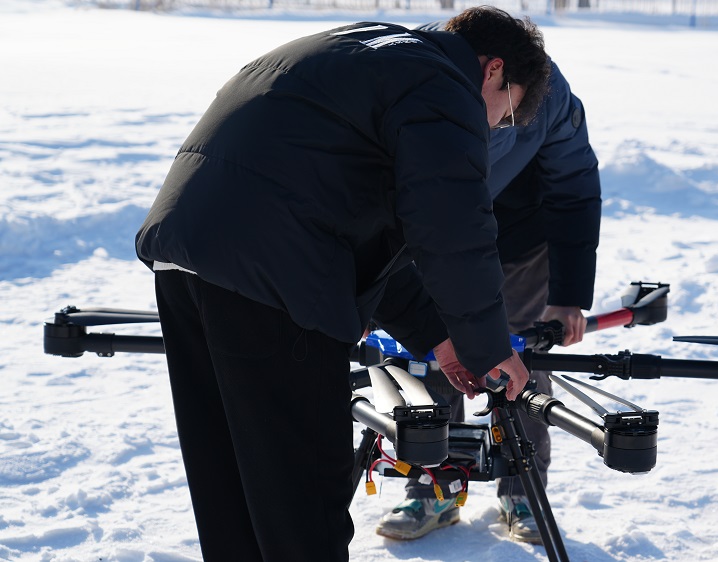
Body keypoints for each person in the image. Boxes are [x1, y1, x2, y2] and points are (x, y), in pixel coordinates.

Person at [133, 7, 550, 561]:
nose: (496, 127)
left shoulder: (365, 49)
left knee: (230, 484)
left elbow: (373, 241)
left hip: (190, 258)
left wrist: (440, 336)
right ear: (494, 69)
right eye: (507, 111)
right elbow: (451, 225)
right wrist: (489, 348)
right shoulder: (445, 85)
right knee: (300, 496)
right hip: (275, 278)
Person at [375, 21, 602, 545]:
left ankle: (522, 486)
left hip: (519, 243)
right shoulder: (417, 72)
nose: (504, 121)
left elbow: (574, 186)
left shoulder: (548, 96)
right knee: (431, 348)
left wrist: (568, 297)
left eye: (513, 114)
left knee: (517, 357)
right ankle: (433, 483)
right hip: (427, 238)